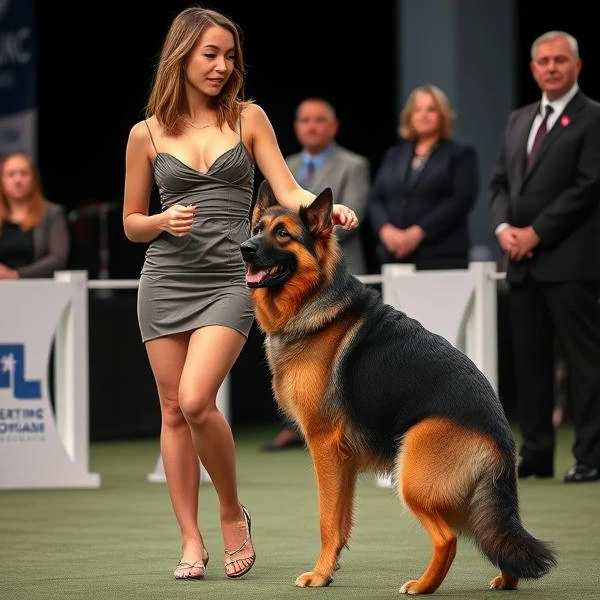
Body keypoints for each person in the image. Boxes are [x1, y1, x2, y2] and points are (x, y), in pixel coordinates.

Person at [122, 6, 359, 581]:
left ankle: (232, 514)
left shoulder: (249, 118)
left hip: (232, 278)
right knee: (173, 409)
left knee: (197, 399)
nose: (223, 67)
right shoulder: (145, 133)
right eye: (211, 55)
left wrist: (327, 210)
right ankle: (190, 540)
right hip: (164, 279)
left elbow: (287, 187)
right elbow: (131, 221)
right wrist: (160, 222)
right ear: (183, 54)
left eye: (230, 56)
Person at [489, 30, 600, 483]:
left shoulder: (593, 118)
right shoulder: (519, 119)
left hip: (571, 262)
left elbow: (588, 186)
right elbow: (499, 184)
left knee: (583, 363)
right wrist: (503, 228)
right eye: (544, 61)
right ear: (533, 69)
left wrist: (537, 231)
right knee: (530, 365)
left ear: (577, 66)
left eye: (560, 60)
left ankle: (591, 456)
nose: (552, 67)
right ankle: (535, 454)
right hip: (522, 264)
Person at [262, 97, 371, 452]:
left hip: (339, 274)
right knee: (289, 344)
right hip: (290, 277)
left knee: (340, 355)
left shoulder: (354, 165)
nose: (311, 126)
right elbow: (271, 222)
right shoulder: (285, 167)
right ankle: (295, 423)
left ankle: (351, 420)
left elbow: (348, 221)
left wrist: (311, 231)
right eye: (304, 120)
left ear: (333, 126)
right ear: (296, 127)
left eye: (319, 120)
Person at [367, 84, 478, 270]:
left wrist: (418, 232)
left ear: (443, 115)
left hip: (441, 256)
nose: (423, 115)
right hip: (395, 256)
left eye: (431, 109)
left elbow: (461, 199)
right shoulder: (394, 154)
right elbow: (375, 199)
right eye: (417, 109)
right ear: (409, 116)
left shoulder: (460, 153)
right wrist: (385, 230)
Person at [0, 151, 69, 279]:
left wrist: (16, 275)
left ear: (34, 178)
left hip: (40, 290)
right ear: (2, 180)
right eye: (11, 174)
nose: (18, 180)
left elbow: (58, 258)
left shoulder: (52, 213)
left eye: (24, 173)